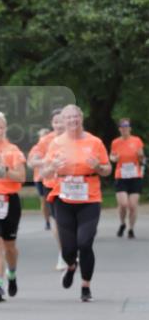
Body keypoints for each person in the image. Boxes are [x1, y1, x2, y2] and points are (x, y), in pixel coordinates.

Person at [42, 104, 111, 302]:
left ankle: (85, 286)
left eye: (76, 117)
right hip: (64, 199)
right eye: (68, 118)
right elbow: (45, 173)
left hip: (89, 198)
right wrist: (52, 167)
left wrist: (97, 166)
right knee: (68, 248)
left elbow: (107, 169)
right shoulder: (56, 143)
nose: (72, 120)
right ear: (63, 121)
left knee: (85, 242)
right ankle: (71, 265)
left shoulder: (94, 142)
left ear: (81, 118)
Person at [0, 111, 26, 301]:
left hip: (10, 200)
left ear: (5, 129)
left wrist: (3, 169)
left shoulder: (12, 150)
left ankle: (12, 273)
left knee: (9, 246)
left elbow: (21, 177)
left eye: (0, 126)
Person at [28, 108, 66, 268]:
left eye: (61, 121)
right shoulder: (46, 140)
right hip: (51, 185)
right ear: (52, 123)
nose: (59, 125)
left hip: (72, 185)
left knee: (71, 221)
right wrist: (47, 162)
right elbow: (31, 161)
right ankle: (63, 254)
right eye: (56, 122)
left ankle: (72, 248)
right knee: (57, 220)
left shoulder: (75, 138)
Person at [110, 118, 145, 238]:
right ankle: (122, 223)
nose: (124, 130)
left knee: (133, 206)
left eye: (126, 127)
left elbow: (141, 157)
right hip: (121, 176)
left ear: (130, 129)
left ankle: (131, 229)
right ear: (119, 129)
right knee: (123, 204)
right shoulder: (115, 142)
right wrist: (114, 159)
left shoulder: (137, 141)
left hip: (135, 176)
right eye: (122, 128)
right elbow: (112, 157)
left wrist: (140, 156)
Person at [28, 128, 52, 230]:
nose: (44, 138)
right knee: (44, 201)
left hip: (53, 178)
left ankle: (57, 218)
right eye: (42, 136)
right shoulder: (36, 148)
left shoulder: (54, 146)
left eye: (46, 136)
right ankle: (47, 221)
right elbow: (30, 163)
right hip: (40, 178)